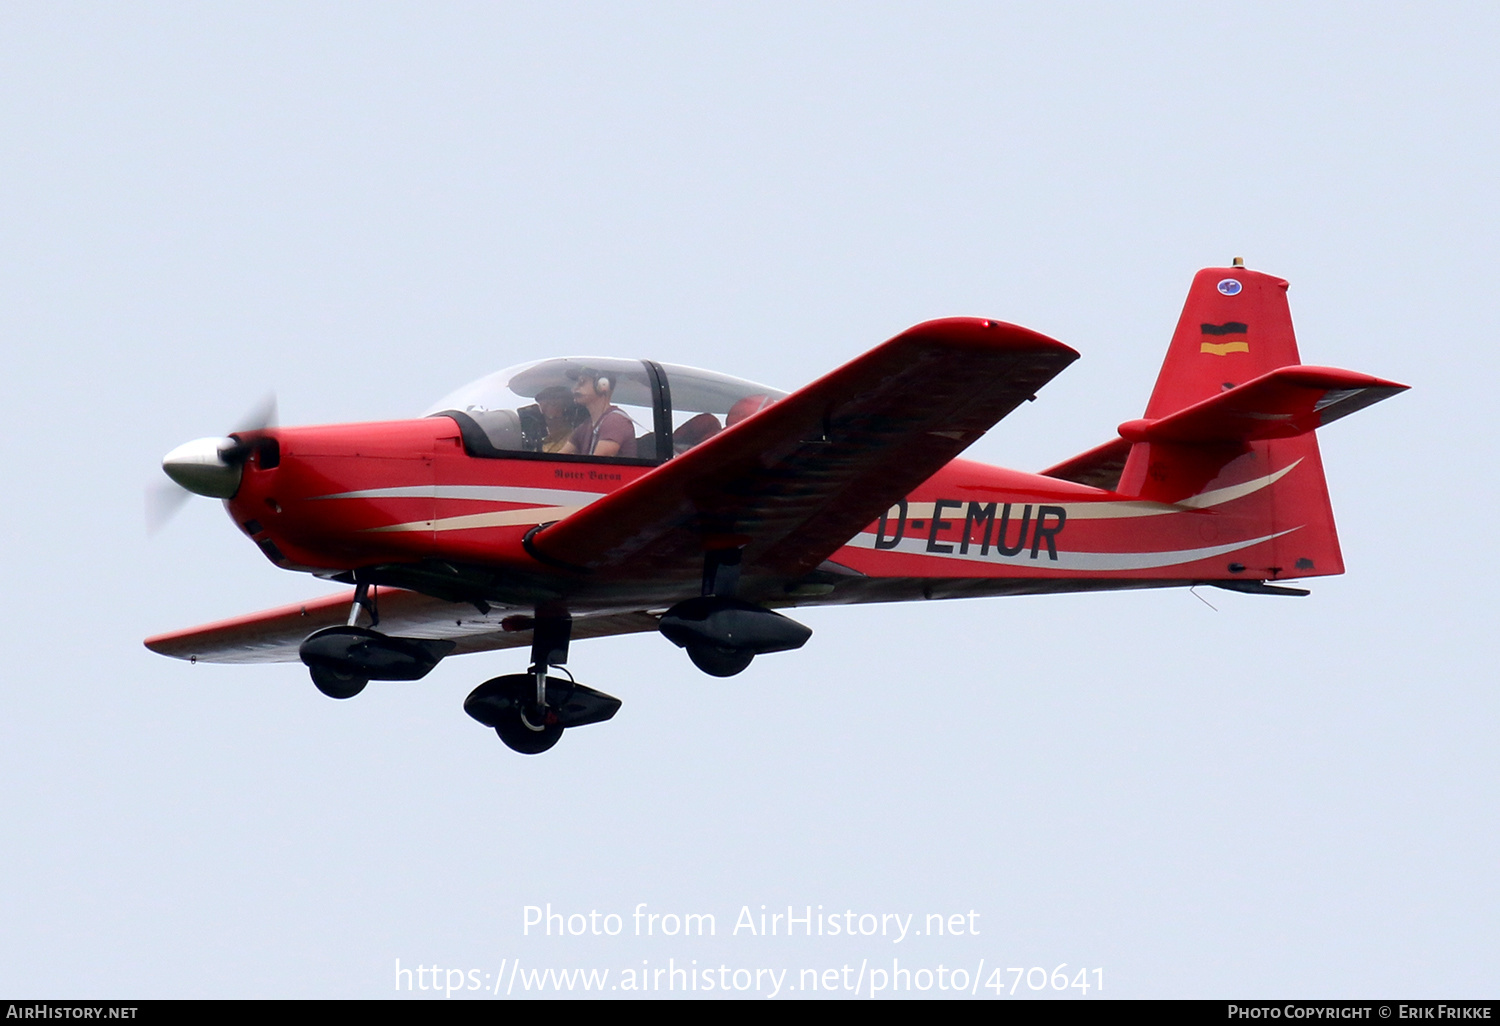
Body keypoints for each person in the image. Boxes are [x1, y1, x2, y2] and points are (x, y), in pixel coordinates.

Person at [562, 368, 637, 458]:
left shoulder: (615, 421)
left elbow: (597, 465)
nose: (574, 388)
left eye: (582, 382)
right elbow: (557, 459)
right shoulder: (586, 426)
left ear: (602, 386)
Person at [534, 385, 580, 453]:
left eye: (551, 404)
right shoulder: (542, 443)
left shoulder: (574, 440)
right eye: (541, 404)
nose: (543, 410)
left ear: (565, 408)